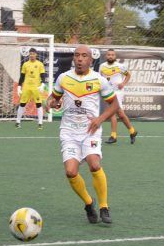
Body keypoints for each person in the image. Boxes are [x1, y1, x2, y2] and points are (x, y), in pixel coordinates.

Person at [45, 45, 120, 224]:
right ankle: (88, 203)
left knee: (94, 164)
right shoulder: (63, 78)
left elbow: (115, 105)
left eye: (84, 56)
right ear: (73, 59)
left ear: (90, 60)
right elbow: (52, 99)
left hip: (90, 130)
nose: (79, 59)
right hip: (69, 131)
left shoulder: (98, 80)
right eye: (77, 55)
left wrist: (100, 119)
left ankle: (104, 207)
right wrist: (50, 104)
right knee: (71, 172)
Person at [99, 49, 138, 144]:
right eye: (109, 55)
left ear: (115, 56)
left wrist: (123, 83)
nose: (110, 56)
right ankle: (132, 131)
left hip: (118, 92)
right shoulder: (102, 66)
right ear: (106, 56)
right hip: (107, 92)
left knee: (113, 112)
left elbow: (128, 75)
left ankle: (113, 136)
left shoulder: (120, 66)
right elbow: (99, 79)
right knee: (120, 114)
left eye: (112, 55)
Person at [16, 48, 46, 129]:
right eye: (30, 54)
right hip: (26, 87)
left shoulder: (40, 64)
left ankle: (40, 123)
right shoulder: (25, 64)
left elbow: (43, 75)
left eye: (33, 54)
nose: (32, 55)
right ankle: (18, 122)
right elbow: (22, 76)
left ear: (36, 54)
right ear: (29, 54)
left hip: (36, 87)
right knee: (22, 104)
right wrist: (19, 87)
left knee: (38, 104)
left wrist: (43, 84)